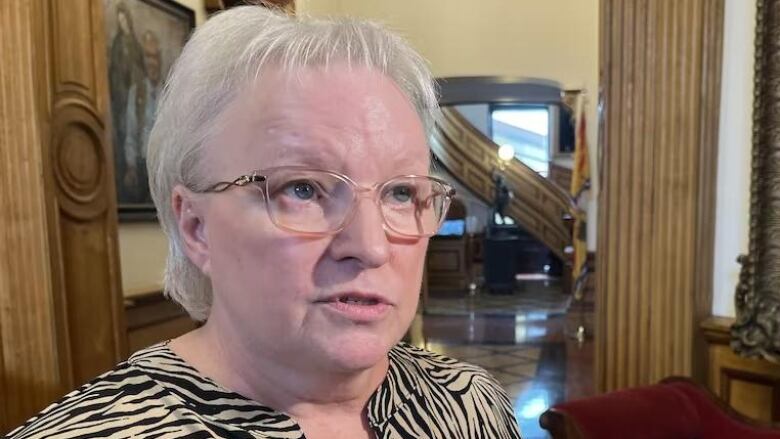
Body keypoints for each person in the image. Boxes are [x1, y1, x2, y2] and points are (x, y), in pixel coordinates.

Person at [9, 6, 523, 438]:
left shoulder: (472, 404)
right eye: (303, 189)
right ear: (195, 227)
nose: (371, 247)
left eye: (402, 192)